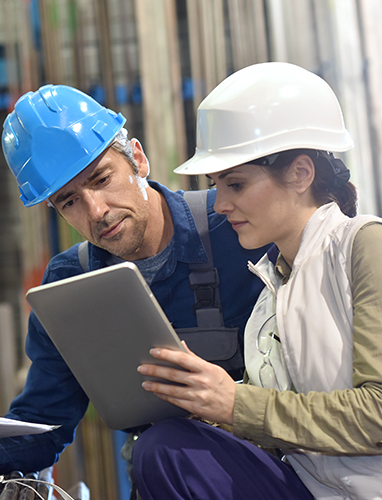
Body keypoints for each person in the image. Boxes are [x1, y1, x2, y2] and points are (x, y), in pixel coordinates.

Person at [0, 84, 268, 481]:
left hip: (277, 466)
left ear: (138, 159)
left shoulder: (234, 223)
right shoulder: (71, 282)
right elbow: (44, 425)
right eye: (69, 201)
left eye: (102, 178)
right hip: (170, 477)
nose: (97, 211)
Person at [131, 61, 382, 500]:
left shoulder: (364, 248)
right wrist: (207, 408)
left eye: (236, 184)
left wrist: (235, 403)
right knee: (164, 449)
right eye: (216, 185)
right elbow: (285, 430)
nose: (221, 204)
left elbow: (377, 415)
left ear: (301, 174)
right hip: (312, 488)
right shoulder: (271, 295)